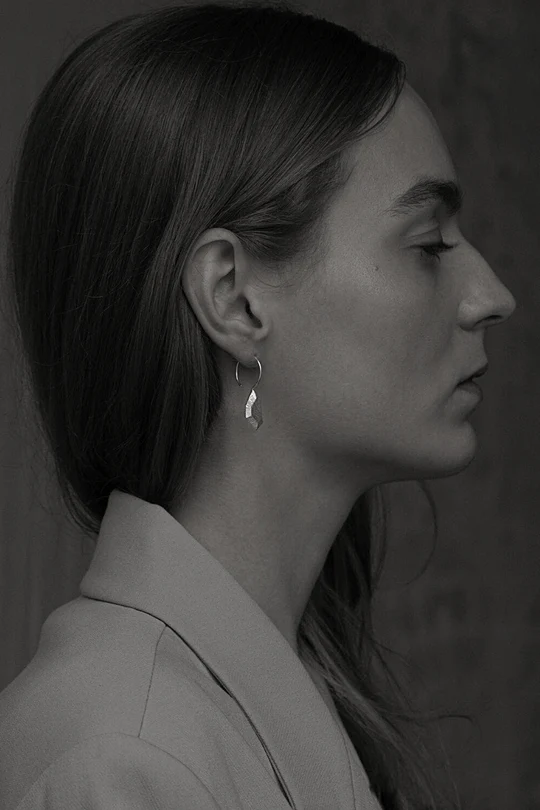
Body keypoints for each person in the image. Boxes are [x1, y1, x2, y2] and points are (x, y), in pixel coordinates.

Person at [0, 1, 516, 809]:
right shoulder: (126, 761)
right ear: (234, 300)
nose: (492, 295)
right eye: (428, 245)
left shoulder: (250, 706)